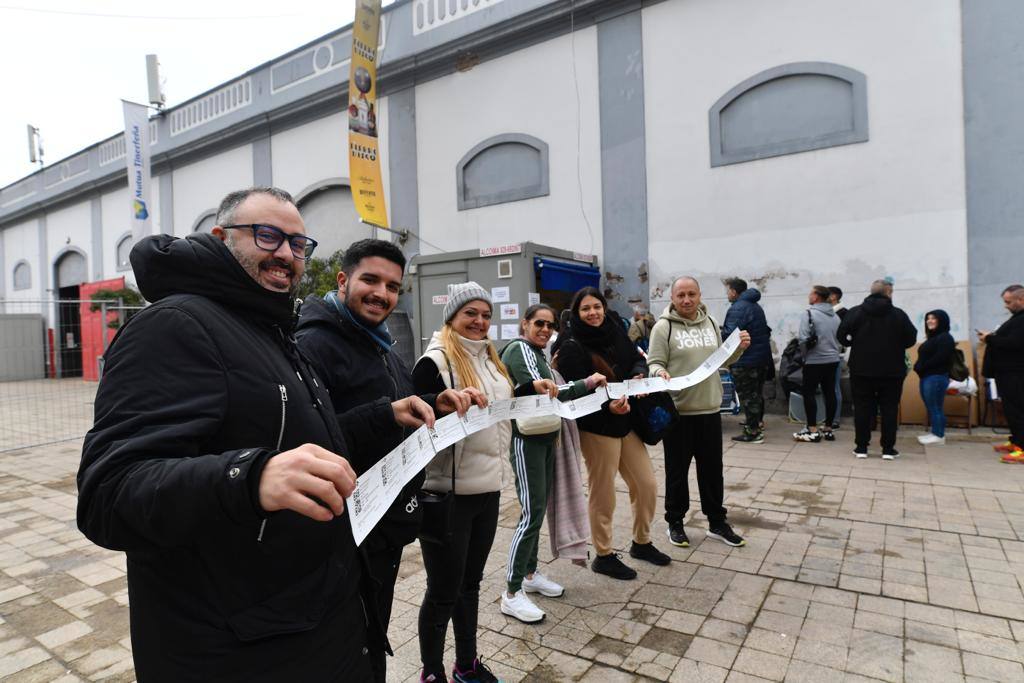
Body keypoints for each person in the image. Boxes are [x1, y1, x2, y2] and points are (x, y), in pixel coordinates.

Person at [77, 187, 382, 680]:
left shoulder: (274, 329)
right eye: (268, 236)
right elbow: (109, 493)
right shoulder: (176, 324)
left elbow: (298, 442)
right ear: (221, 238)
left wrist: (386, 417)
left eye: (298, 244)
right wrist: (249, 476)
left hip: (311, 626)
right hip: (241, 653)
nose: (286, 254)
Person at [294, 239, 485, 681]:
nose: (382, 293)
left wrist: (436, 400)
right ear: (343, 280)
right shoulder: (315, 344)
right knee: (348, 641)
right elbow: (308, 437)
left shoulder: (377, 339)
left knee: (372, 630)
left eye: (393, 286)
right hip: (346, 529)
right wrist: (383, 415)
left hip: (386, 520)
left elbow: (397, 402)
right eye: (371, 280)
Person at [412, 282, 536, 683]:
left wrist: (534, 389)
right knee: (443, 591)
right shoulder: (433, 362)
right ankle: (431, 673)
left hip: (488, 489)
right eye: (471, 314)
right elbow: (416, 424)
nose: (480, 321)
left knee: (471, 584)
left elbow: (502, 406)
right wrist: (441, 406)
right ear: (452, 316)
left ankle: (465, 664)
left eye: (486, 314)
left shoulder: (491, 359)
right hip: (448, 495)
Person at [498, 304, 606, 623]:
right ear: (525, 324)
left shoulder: (538, 353)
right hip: (527, 441)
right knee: (531, 514)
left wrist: (585, 384)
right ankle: (512, 592)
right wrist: (587, 383)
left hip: (543, 439)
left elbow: (550, 393)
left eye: (551, 324)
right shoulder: (520, 349)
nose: (545, 329)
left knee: (538, 509)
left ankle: (530, 576)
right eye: (539, 324)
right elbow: (547, 394)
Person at [553, 287, 670, 580]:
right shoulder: (570, 343)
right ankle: (603, 555)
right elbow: (575, 394)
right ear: (576, 313)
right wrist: (609, 408)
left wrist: (639, 374)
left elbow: (636, 357)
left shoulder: (615, 328)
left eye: (597, 306)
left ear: (604, 308)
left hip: (626, 420)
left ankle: (641, 543)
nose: (593, 313)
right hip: (597, 426)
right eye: (585, 309)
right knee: (603, 491)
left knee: (646, 484)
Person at [647, 276, 751, 548]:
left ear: (700, 295)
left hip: (709, 410)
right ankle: (675, 522)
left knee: (712, 471)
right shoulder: (662, 328)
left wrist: (738, 349)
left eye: (691, 294)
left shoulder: (710, 324)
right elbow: (654, 363)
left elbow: (722, 360)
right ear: (672, 298)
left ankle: (717, 522)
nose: (686, 300)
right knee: (677, 472)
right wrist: (660, 372)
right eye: (680, 295)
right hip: (679, 413)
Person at [837, 279, 917, 460]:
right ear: (888, 292)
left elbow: (841, 334)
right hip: (892, 370)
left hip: (861, 368)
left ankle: (861, 447)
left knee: (862, 408)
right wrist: (896, 345)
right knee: (889, 409)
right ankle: (888, 449)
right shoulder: (898, 315)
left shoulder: (855, 312)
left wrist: (852, 342)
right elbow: (911, 338)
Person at [721, 277, 772, 443]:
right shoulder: (754, 306)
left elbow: (730, 334)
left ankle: (753, 432)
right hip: (760, 358)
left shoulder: (738, 308)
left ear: (734, 292)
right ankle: (756, 423)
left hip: (746, 360)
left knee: (748, 396)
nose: (727, 294)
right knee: (756, 393)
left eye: (728, 290)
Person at [978, 285, 1024, 463]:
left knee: (1018, 410)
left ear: (1021, 300)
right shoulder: (1017, 318)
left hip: (1017, 373)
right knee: (1011, 410)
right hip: (1007, 373)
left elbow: (1014, 343)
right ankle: (1016, 442)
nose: (1006, 306)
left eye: (1008, 302)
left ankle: (1022, 448)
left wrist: (989, 338)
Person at [793, 285, 842, 443]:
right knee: (830, 392)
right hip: (833, 360)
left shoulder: (809, 314)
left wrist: (804, 357)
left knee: (809, 393)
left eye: (811, 293)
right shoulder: (835, 316)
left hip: (814, 360)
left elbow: (803, 339)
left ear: (816, 297)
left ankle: (812, 428)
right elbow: (839, 338)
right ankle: (828, 428)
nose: (809, 296)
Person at [914, 310, 955, 446]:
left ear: (941, 320)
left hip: (936, 378)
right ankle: (935, 433)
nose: (929, 321)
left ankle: (939, 436)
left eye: (933, 318)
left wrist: (922, 366)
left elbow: (941, 358)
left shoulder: (945, 337)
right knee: (932, 407)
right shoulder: (933, 338)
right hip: (928, 377)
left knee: (936, 407)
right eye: (928, 318)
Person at [828, 285, 848, 428]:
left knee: (834, 388)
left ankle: (835, 419)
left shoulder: (842, 313)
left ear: (834, 296)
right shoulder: (828, 312)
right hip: (826, 354)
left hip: (835, 354)